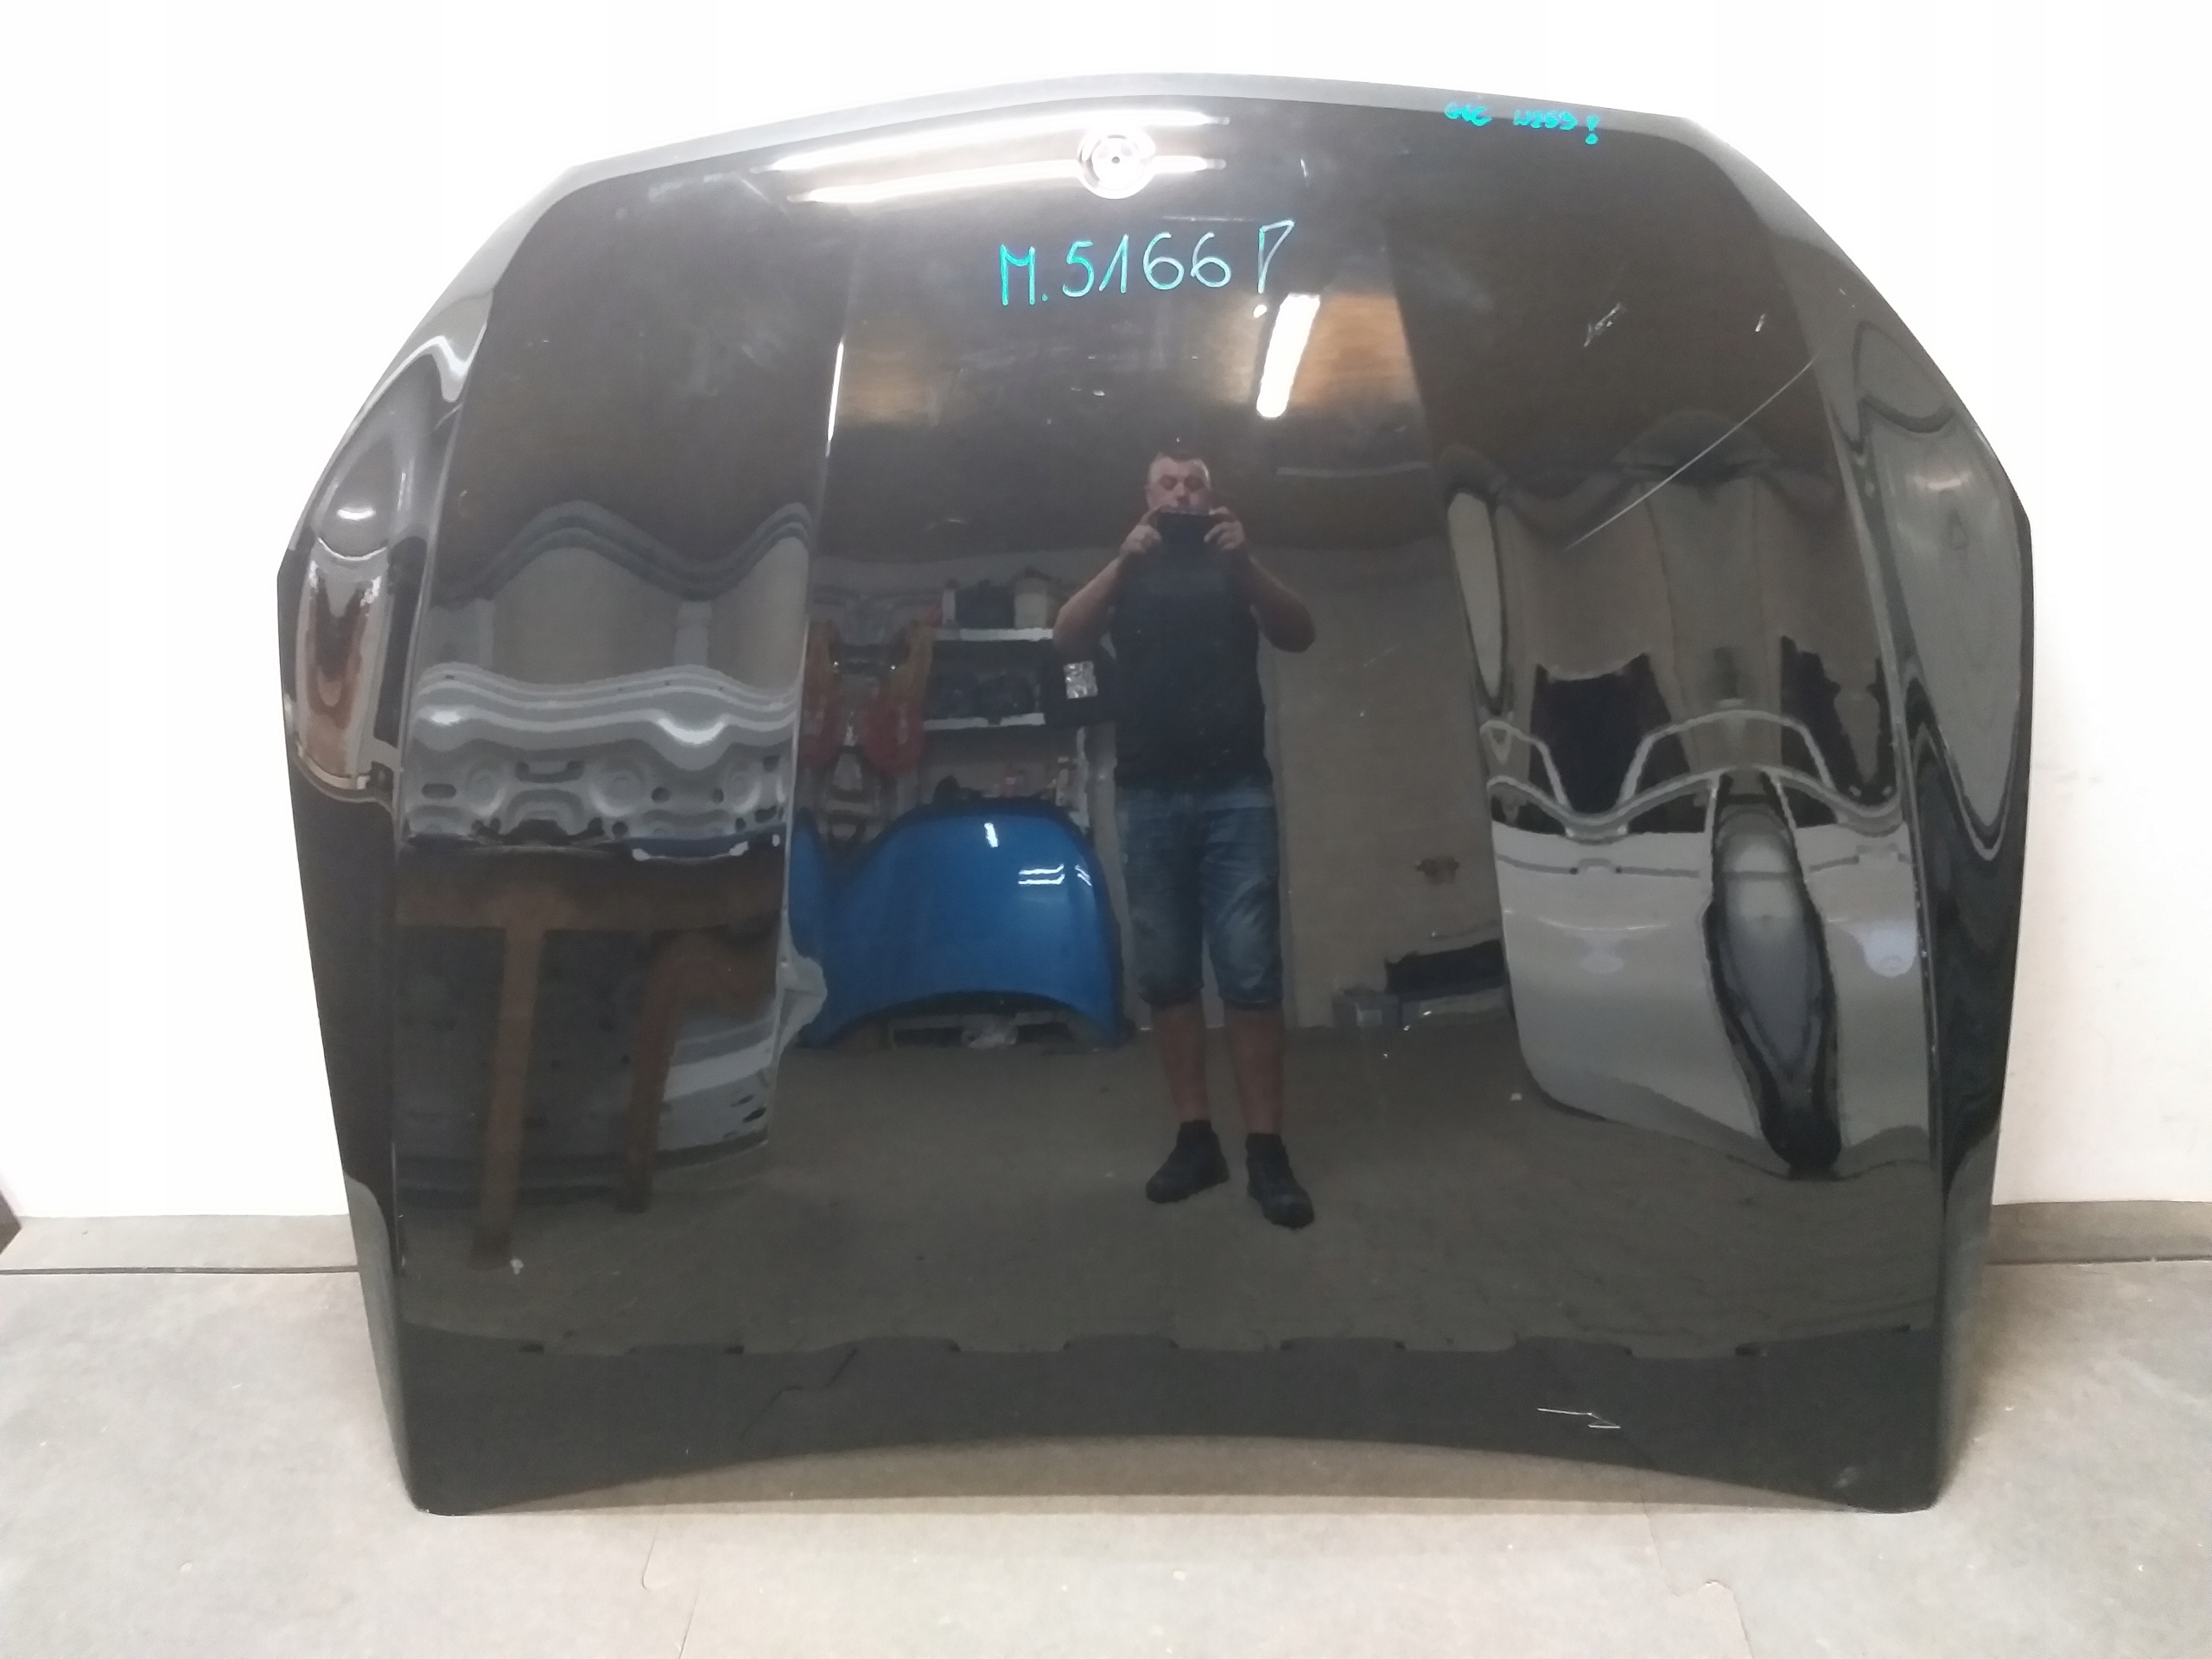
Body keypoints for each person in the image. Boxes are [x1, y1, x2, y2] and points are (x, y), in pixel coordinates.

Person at [1054, 449, 1319, 1228]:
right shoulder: (1130, 569)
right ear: (1146, 496)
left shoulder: (1233, 565)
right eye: (1167, 483)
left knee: (1250, 970)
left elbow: (1300, 634)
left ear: (1212, 495)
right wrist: (1121, 561)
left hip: (1237, 792)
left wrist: (1248, 564)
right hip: (1149, 795)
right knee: (1167, 973)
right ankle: (1196, 1140)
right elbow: (1067, 640)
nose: (1180, 492)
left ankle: (1266, 1151)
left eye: (1193, 482)